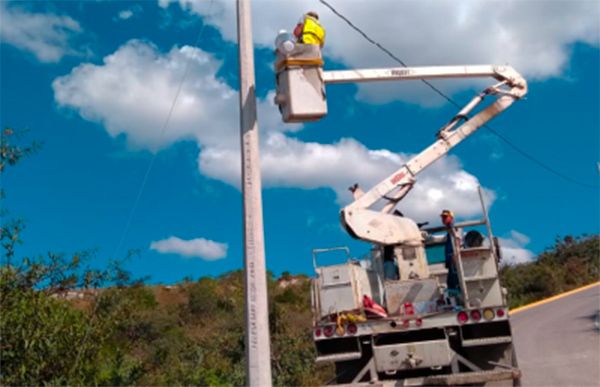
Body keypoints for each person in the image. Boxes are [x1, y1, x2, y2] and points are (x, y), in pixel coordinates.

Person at [440, 209, 460, 293]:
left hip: (453, 258)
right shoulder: (449, 229)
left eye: (445, 217)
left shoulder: (453, 227)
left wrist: (456, 253)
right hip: (450, 259)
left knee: (453, 282)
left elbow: (457, 239)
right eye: (442, 217)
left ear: (451, 217)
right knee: (450, 282)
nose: (443, 219)